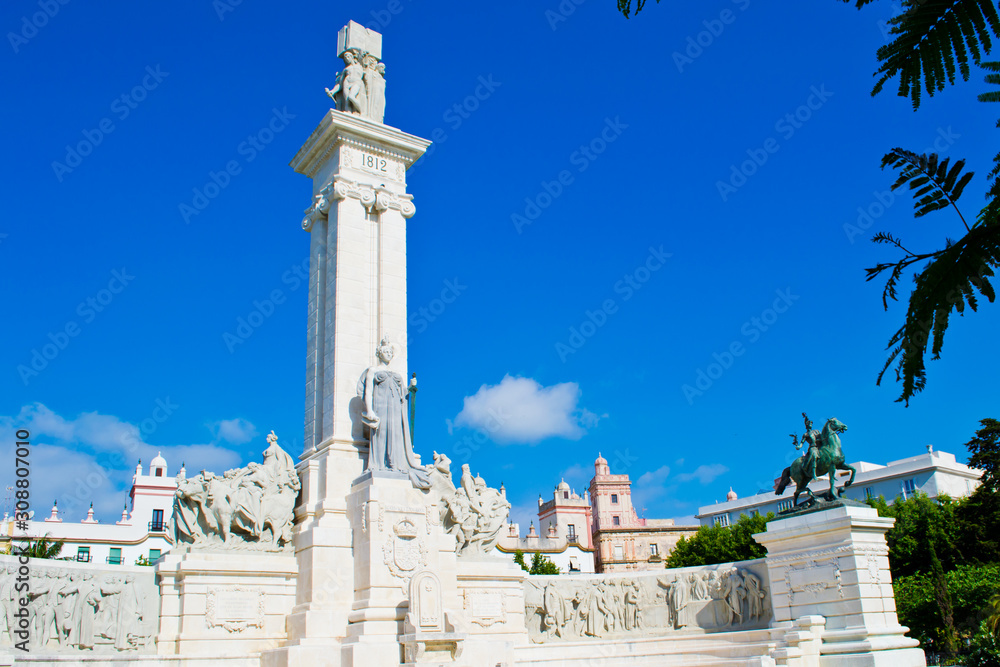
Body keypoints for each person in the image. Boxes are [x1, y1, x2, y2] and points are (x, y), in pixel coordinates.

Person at [358, 336, 430, 488]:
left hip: (395, 409)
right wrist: (369, 410)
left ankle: (395, 464)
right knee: (381, 434)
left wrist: (410, 386)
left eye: (391, 352)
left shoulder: (395, 372)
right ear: (379, 353)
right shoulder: (373, 370)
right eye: (386, 351)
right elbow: (368, 391)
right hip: (380, 407)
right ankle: (379, 465)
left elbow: (402, 394)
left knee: (396, 435)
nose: (389, 354)